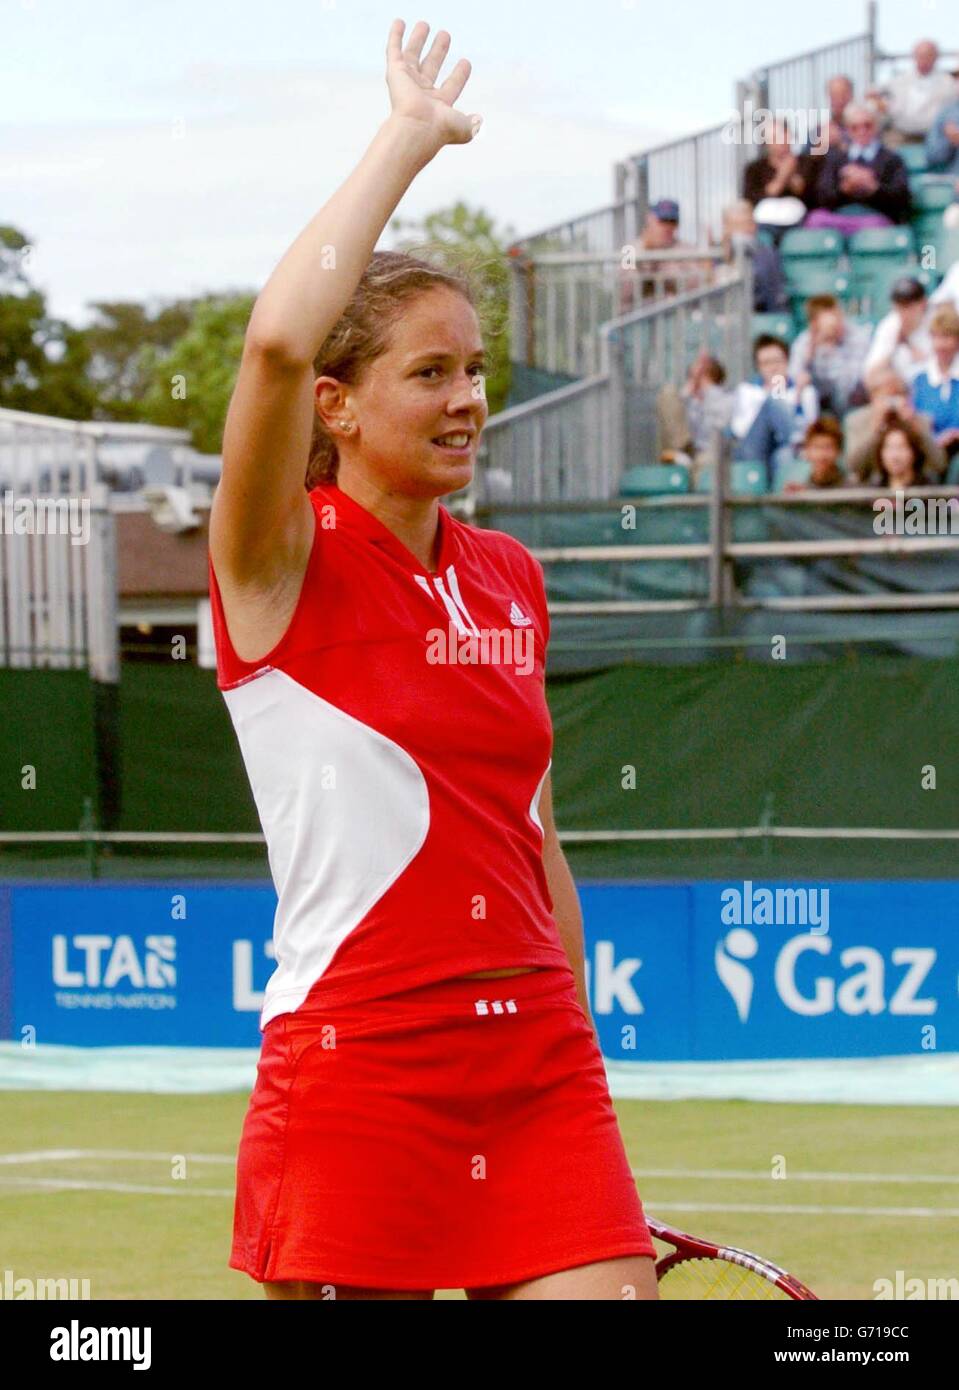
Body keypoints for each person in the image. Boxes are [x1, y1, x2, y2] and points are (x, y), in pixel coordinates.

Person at [209, 19, 659, 1304]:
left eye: (476, 369)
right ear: (337, 406)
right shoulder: (274, 563)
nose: (467, 397)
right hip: (361, 1067)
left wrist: (576, 1040)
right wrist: (405, 142)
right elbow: (274, 347)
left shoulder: (509, 576)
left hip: (537, 1071)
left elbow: (535, 834)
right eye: (428, 372)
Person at [804, 104, 911, 233]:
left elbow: (902, 200)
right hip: (840, 217)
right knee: (815, 220)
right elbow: (821, 197)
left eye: (867, 125)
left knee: (877, 226)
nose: (862, 131)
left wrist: (874, 188)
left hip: (874, 218)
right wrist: (844, 189)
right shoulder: (836, 159)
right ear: (848, 130)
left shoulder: (892, 159)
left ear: (876, 126)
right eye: (855, 127)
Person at [730, 333, 818, 482]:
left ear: (787, 361)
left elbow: (810, 429)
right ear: (758, 367)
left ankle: (781, 503)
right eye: (766, 363)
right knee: (772, 403)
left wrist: (797, 398)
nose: (773, 367)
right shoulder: (747, 390)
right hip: (754, 448)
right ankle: (794, 444)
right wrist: (769, 402)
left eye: (778, 361)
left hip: (784, 448)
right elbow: (740, 430)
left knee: (785, 455)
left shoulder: (805, 391)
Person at [845, 364, 946, 482]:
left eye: (896, 395)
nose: (891, 402)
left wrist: (915, 427)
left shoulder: (920, 420)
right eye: (886, 395)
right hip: (871, 482)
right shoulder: (857, 421)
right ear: (873, 397)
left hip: (913, 483)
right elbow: (854, 466)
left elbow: (940, 464)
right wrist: (875, 429)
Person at [789, 294, 873, 417]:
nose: (837, 324)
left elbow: (850, 384)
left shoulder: (857, 337)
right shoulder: (805, 341)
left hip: (852, 401)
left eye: (838, 317)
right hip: (819, 401)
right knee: (804, 391)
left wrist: (832, 350)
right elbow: (793, 375)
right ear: (814, 324)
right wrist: (810, 354)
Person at [868, 40, 958, 148]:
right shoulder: (900, 79)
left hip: (934, 137)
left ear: (936, 57)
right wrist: (881, 104)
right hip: (901, 134)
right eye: (920, 56)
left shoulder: (948, 83)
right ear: (914, 57)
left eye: (928, 56)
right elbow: (871, 92)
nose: (924, 60)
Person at [657, 351, 732, 479]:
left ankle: (688, 467)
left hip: (708, 451)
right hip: (682, 448)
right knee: (668, 393)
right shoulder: (685, 398)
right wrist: (687, 394)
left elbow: (719, 430)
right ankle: (683, 457)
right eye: (693, 375)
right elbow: (671, 419)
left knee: (706, 460)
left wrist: (707, 392)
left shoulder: (725, 398)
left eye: (702, 374)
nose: (696, 378)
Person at [619, 198, 703, 310]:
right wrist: (648, 260)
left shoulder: (687, 250)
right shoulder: (629, 249)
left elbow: (697, 287)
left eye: (672, 221)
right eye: (663, 220)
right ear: (650, 220)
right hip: (636, 319)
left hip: (676, 318)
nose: (667, 227)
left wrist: (668, 275)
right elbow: (625, 290)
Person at [742, 122, 815, 231]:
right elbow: (752, 199)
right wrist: (782, 176)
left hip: (796, 221)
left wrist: (791, 174)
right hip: (764, 221)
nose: (781, 142)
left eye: (783, 136)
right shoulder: (754, 168)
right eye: (775, 138)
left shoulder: (806, 162)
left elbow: (808, 195)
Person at [862, 275, 932, 383]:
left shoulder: (936, 321)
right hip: (900, 390)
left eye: (908, 306)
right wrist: (893, 346)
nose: (904, 313)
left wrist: (914, 349)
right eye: (900, 306)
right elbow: (870, 375)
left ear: (923, 303)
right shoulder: (889, 326)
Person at [911, 304, 959, 459]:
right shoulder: (920, 381)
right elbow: (917, 423)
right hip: (929, 453)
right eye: (936, 337)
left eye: (946, 337)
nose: (941, 345)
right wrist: (936, 440)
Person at [721, 199, 788, 311]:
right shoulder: (714, 255)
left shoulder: (768, 255)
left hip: (758, 317)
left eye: (750, 223)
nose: (747, 229)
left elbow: (775, 298)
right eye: (739, 225)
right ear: (727, 228)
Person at [863, 416, 935, 488]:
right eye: (889, 448)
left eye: (901, 447)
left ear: (914, 452)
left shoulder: (928, 490)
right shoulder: (874, 490)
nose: (895, 456)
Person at [782, 417, 847, 491]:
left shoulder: (852, 487)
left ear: (838, 451)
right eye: (817, 447)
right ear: (807, 451)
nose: (822, 455)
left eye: (828, 447)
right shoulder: (800, 489)